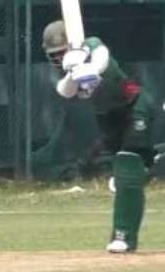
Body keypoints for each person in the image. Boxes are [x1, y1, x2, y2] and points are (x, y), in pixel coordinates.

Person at [42, 20, 153, 253]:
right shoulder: (69, 72)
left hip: (134, 105)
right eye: (54, 55)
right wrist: (74, 73)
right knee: (130, 173)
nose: (58, 59)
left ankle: (123, 237)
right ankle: (145, 167)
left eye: (61, 52)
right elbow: (65, 90)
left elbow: (101, 59)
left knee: (128, 164)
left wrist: (87, 64)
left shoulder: (90, 46)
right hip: (108, 118)